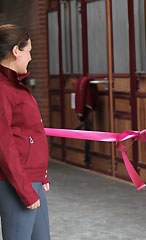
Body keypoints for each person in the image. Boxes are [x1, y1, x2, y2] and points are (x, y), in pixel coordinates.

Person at [0, 24, 51, 239]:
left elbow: (29, 133)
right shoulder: (2, 89)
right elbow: (4, 144)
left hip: (32, 179)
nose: (30, 57)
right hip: (16, 183)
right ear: (15, 51)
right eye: (28, 51)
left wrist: (40, 174)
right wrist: (25, 189)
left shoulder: (15, 85)